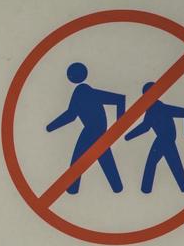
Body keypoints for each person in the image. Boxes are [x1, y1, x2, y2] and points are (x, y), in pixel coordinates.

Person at [45, 61, 126, 194]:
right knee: (105, 158)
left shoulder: (82, 91)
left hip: (91, 130)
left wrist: (119, 125)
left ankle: (72, 188)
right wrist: (118, 125)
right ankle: (117, 188)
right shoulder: (88, 91)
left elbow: (71, 115)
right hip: (100, 131)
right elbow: (120, 99)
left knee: (78, 160)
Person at [124, 82, 184, 193]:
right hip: (164, 138)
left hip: (165, 138)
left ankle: (146, 189)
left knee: (154, 162)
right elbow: (146, 126)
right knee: (173, 162)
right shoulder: (151, 109)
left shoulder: (161, 107)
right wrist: (129, 136)